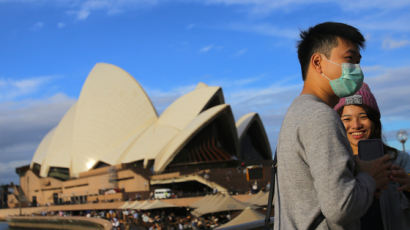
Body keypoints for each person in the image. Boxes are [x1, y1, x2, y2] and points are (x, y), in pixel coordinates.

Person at [274, 22, 392, 230]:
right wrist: (370, 177)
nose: (356, 70)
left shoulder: (296, 113)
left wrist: (355, 171)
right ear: (318, 62)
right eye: (349, 59)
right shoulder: (321, 117)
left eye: (358, 62)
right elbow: (341, 208)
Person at [334, 82, 410, 229]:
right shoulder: (336, 165)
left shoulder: (399, 160)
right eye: (347, 119)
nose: (356, 125)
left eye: (363, 116)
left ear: (374, 121)